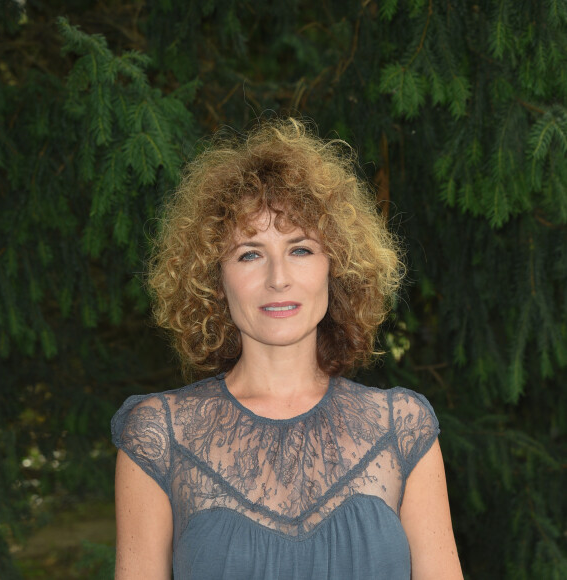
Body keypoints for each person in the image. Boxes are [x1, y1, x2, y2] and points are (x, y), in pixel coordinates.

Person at [111, 118, 464, 580]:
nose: (278, 278)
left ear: (334, 267)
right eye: (249, 254)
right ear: (214, 280)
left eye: (300, 249)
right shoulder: (159, 436)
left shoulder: (402, 429)